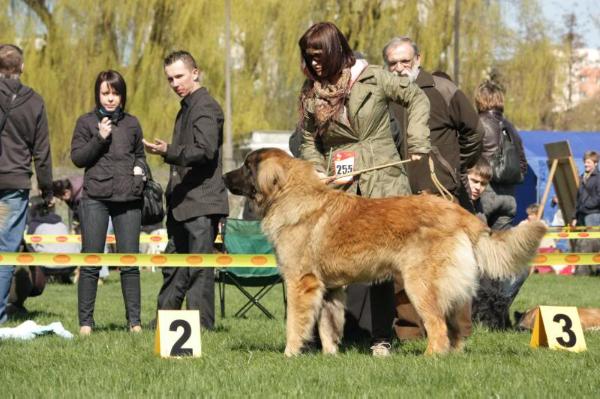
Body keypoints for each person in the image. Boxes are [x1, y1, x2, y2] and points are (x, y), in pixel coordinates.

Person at [297, 22, 431, 356]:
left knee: (384, 266)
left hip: (382, 181)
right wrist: (316, 168)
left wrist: (417, 140)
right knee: (333, 262)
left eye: (319, 55)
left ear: (336, 49)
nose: (314, 63)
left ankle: (381, 338)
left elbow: (415, 97)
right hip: (339, 187)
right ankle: (332, 338)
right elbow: (308, 139)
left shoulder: (372, 76)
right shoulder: (311, 92)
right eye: (308, 56)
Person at [382, 37, 484, 341]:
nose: (399, 68)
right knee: (401, 271)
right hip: (399, 195)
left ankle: (458, 335)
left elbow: (474, 132)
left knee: (449, 268)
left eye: (404, 61)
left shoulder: (442, 89)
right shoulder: (385, 96)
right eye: (393, 63)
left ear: (418, 59)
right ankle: (411, 335)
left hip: (440, 193)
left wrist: (452, 170)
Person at [143, 51, 229, 331]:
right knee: (173, 268)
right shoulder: (187, 107)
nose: (174, 83)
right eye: (170, 78)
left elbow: (205, 152)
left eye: (179, 76)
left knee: (198, 271)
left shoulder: (205, 107)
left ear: (195, 72)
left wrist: (168, 151)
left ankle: (202, 329)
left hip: (202, 202)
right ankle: (162, 326)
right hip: (183, 203)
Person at [71, 70, 146, 335]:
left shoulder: (132, 124)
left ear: (122, 95)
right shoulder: (85, 122)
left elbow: (140, 155)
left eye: (115, 93)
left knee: (130, 262)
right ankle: (85, 323)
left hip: (128, 199)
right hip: (95, 199)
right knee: (91, 260)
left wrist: (140, 169)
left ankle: (134, 323)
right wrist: (99, 138)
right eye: (105, 93)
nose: (110, 99)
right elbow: (78, 158)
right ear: (98, 94)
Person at [0, 44, 53, 325]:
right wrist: (47, 190)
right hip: (14, 185)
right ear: (21, 67)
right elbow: (41, 153)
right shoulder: (34, 102)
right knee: (6, 252)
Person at [470, 80, 528, 330]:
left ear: (480, 100)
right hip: (509, 197)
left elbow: (470, 156)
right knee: (503, 258)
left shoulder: (478, 123)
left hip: (486, 192)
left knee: (481, 256)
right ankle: (497, 312)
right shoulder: (511, 128)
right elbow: (523, 166)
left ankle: (477, 314)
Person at [572, 151, 600, 276]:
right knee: (580, 243)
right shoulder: (582, 177)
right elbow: (578, 199)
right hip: (581, 215)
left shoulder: (598, 178)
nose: (585, 164)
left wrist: (587, 206)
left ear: (595, 163)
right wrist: (574, 215)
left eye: (588, 162)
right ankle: (581, 271)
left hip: (593, 214)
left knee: (593, 243)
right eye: (585, 161)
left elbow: (598, 198)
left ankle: (595, 270)